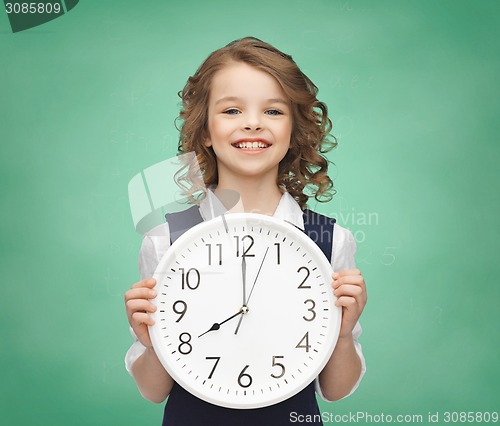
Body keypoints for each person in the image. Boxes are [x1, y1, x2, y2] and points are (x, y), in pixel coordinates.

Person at [124, 37, 367, 425]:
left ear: (294, 130)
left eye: (272, 110)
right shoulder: (164, 241)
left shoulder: (330, 242)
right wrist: (151, 344)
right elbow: (154, 392)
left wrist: (342, 333)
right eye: (232, 109)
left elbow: (336, 391)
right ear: (205, 131)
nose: (252, 122)